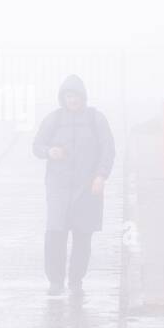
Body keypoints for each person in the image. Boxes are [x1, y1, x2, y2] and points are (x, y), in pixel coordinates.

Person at [32, 74, 115, 297]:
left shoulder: (96, 120)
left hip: (87, 188)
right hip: (58, 188)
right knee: (54, 235)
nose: (72, 100)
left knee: (82, 236)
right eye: (68, 96)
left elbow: (108, 150)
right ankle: (55, 281)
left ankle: (76, 281)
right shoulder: (53, 120)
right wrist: (49, 151)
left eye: (76, 96)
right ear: (63, 98)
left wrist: (101, 176)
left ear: (83, 97)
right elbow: (37, 146)